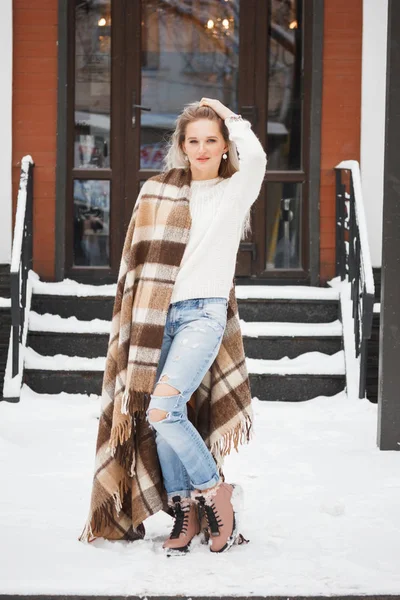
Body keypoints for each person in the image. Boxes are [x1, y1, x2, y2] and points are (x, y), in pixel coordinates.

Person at [145, 97, 267, 556]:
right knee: (162, 421)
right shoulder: (160, 192)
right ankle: (183, 508)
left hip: (203, 313)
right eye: (192, 140)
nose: (200, 148)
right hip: (158, 316)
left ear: (223, 146)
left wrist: (224, 111)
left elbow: (256, 155)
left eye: (210, 140)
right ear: (181, 145)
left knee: (163, 410)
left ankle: (215, 491)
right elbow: (138, 261)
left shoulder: (234, 190)